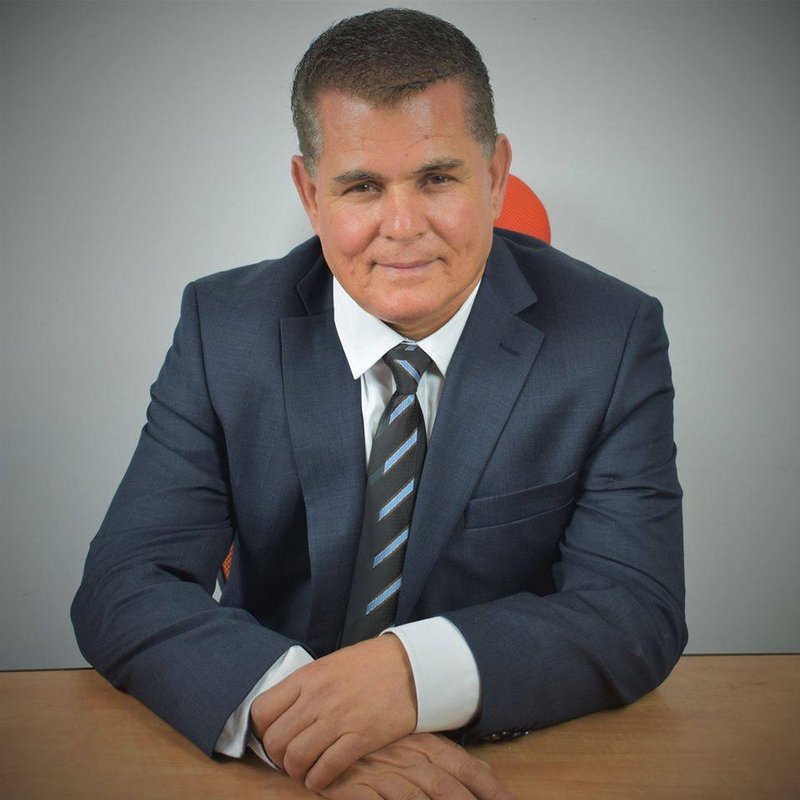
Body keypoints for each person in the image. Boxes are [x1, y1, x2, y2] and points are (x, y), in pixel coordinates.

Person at [72, 8, 687, 799]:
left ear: (495, 175)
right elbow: (125, 583)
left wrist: (409, 678)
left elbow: (634, 610)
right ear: (309, 191)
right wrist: (306, 724)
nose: (402, 228)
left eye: (438, 178)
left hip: (500, 763)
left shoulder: (611, 336)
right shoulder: (222, 329)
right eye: (362, 187)